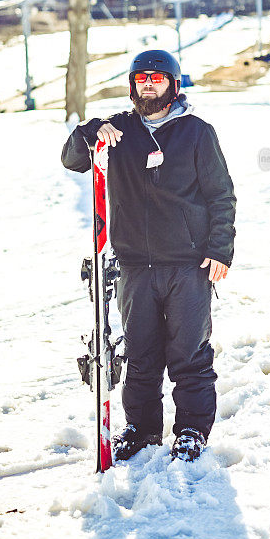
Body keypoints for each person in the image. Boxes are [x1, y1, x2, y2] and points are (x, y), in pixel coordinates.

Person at [62, 49, 236, 463]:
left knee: (190, 354)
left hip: (188, 265)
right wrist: (90, 133)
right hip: (134, 267)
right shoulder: (117, 131)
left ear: (174, 85)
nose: (148, 85)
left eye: (157, 79)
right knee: (141, 355)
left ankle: (191, 430)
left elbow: (221, 196)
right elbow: (71, 160)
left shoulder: (196, 132)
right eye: (141, 79)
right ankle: (141, 430)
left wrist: (220, 249)